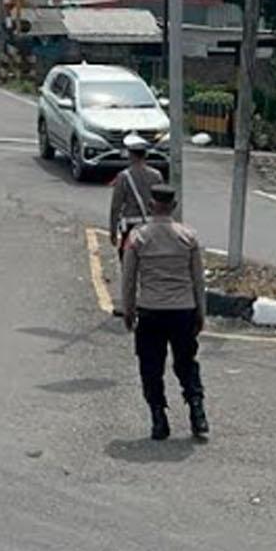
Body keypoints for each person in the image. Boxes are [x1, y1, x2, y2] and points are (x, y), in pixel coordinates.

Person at [120, 180, 208, 441]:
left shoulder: (138, 238)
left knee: (151, 367)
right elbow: (198, 279)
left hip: (150, 311)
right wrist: (201, 312)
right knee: (186, 363)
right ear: (174, 207)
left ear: (150, 206)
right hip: (183, 310)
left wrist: (128, 310)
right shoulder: (188, 237)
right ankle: (197, 412)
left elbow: (128, 279)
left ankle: (159, 419)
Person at [108, 133, 164, 248]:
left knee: (128, 258)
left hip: (130, 225)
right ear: (145, 155)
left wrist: (113, 231)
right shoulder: (157, 176)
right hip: (151, 225)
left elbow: (116, 206)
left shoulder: (123, 176)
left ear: (131, 155)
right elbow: (162, 203)